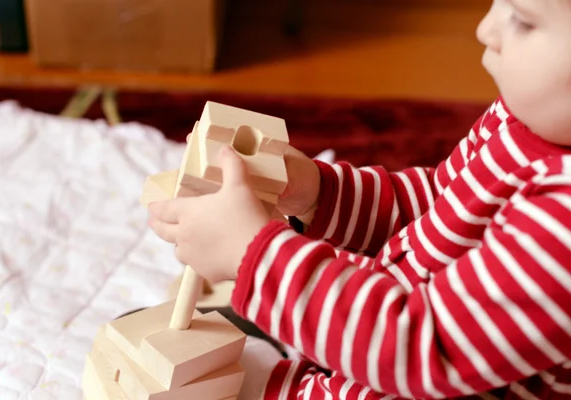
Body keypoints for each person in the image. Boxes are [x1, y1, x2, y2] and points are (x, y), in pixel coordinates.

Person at [147, 0, 571, 398]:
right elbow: (436, 210)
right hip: (386, 340)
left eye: (524, 20)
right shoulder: (529, 120)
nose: (485, 29)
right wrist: (319, 193)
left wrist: (252, 256)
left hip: (418, 367)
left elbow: (427, 346)